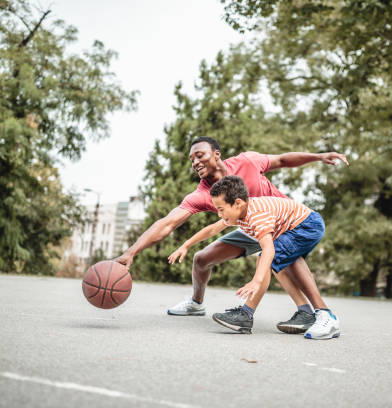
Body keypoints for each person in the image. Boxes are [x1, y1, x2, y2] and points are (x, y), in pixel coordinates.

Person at [115, 136, 348, 333]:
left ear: (217, 155)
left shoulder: (247, 162)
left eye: (200, 155)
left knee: (279, 256)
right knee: (201, 259)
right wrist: (131, 252)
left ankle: (320, 313)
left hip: (281, 221)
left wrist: (318, 156)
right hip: (247, 225)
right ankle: (196, 303)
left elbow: (282, 160)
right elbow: (168, 223)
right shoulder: (204, 194)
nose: (195, 161)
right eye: (191, 159)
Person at [168, 175, 340, 340]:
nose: (219, 215)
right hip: (298, 225)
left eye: (221, 209)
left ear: (237, 203)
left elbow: (268, 249)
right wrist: (186, 245)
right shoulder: (239, 212)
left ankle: (247, 314)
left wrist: (257, 280)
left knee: (266, 259)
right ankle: (305, 313)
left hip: (307, 226)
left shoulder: (256, 215)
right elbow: (213, 229)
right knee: (278, 265)